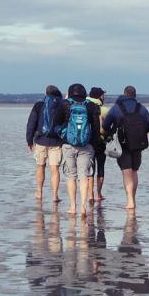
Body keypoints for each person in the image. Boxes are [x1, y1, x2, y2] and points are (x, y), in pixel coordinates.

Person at [54, 83, 102, 218]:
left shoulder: (64, 104)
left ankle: (73, 207)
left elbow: (55, 124)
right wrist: (95, 144)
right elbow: (96, 128)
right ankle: (83, 207)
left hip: (68, 144)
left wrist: (63, 134)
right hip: (87, 145)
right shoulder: (91, 106)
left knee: (71, 176)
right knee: (84, 175)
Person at [103, 85, 149, 211]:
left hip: (122, 144)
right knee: (135, 171)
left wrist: (111, 134)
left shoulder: (116, 108)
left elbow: (105, 125)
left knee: (126, 172)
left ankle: (130, 201)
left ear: (124, 94)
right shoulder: (141, 108)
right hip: (138, 144)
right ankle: (133, 199)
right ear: (135, 95)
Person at [26, 85, 64, 203]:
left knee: (40, 166)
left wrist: (29, 140)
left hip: (41, 140)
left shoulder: (39, 105)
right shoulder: (61, 105)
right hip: (56, 141)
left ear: (45, 93)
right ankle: (54, 195)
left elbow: (31, 123)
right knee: (55, 169)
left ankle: (39, 192)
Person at [86, 86, 108, 204]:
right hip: (100, 143)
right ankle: (98, 194)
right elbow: (107, 127)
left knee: (90, 169)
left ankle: (90, 195)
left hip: (87, 143)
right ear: (99, 96)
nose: (104, 96)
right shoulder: (103, 109)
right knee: (100, 168)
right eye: (103, 95)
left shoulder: (84, 107)